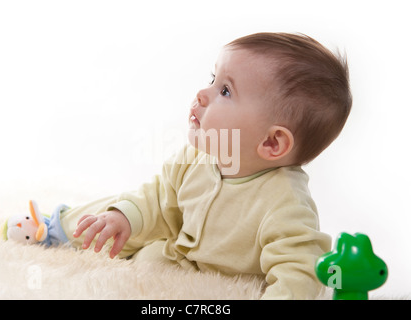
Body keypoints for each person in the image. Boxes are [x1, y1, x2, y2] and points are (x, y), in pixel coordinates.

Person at [45, 33, 352, 299]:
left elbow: (300, 269)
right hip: (175, 253)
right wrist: (123, 218)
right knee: (121, 217)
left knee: (148, 262)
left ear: (272, 143)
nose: (202, 94)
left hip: (219, 278)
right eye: (212, 80)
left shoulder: (284, 203)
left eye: (226, 91)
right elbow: (158, 197)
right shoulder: (197, 157)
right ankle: (59, 227)